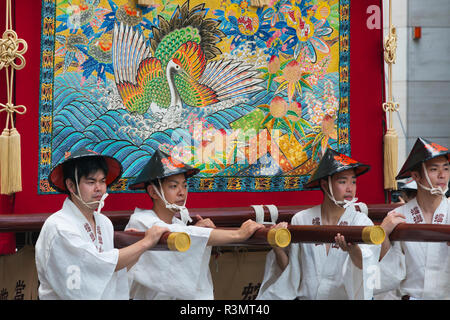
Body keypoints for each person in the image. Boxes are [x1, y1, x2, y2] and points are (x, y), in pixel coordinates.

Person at [125, 149, 264, 300]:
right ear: (153, 192)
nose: (181, 192)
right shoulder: (140, 220)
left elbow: (184, 235)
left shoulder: (178, 224)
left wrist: (197, 232)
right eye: (173, 186)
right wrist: (238, 234)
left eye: (184, 185)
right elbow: (174, 233)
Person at [35, 148, 168, 299]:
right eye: (91, 182)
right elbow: (98, 267)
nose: (99, 188)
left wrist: (135, 249)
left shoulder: (104, 223)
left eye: (102, 181)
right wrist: (145, 243)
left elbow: (110, 274)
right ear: (71, 186)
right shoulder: (59, 227)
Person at [257, 148, 381, 300]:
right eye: (342, 181)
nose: (350, 188)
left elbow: (369, 267)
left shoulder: (362, 223)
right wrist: (277, 247)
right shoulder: (301, 219)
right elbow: (292, 273)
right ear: (324, 184)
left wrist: (353, 250)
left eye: (353, 182)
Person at [377, 138, 450, 299]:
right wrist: (383, 234)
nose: (442, 175)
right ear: (416, 176)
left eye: (446, 168)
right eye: (434, 169)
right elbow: (386, 275)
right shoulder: (397, 216)